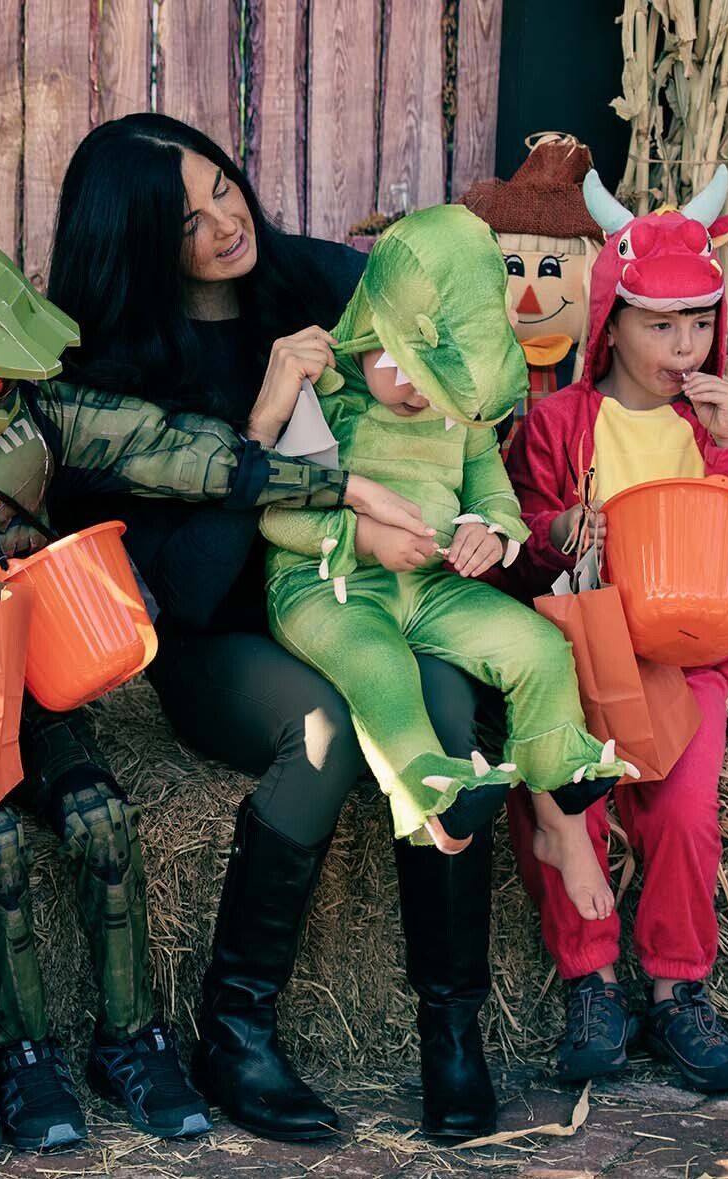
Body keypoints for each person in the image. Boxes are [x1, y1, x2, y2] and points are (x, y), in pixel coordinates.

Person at [0, 239, 428, 1152]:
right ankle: (24, 1056)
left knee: (102, 821)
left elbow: (168, 449)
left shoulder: (30, 421)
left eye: (5, 375)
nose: (2, 395)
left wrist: (335, 485)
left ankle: (131, 1041)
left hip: (41, 688)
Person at [45, 112, 500, 1142]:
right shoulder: (105, 375)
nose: (221, 223)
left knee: (442, 707)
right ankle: (235, 1033)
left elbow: (455, 400)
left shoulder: (323, 286)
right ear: (134, 246)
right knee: (326, 727)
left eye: (222, 187)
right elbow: (187, 591)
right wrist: (255, 427)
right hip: (221, 634)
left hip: (358, 595)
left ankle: (453, 1031)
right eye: (184, 220)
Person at [502, 167, 728, 1095]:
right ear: (610, 322)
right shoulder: (561, 422)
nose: (682, 344)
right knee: (562, 797)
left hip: (689, 651)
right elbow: (516, 536)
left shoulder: (715, 422)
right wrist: (554, 531)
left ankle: (677, 991)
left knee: (682, 812)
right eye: (661, 324)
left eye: (699, 324)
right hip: (586, 649)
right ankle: (592, 984)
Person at [259, 203, 626, 890]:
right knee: (381, 666)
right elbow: (277, 515)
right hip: (325, 585)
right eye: (396, 365)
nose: (414, 393)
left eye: (435, 376)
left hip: (427, 586)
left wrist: (492, 529)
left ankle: (558, 762)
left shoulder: (459, 415)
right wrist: (360, 534)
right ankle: (435, 794)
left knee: (539, 646)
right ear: (367, 333)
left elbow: (492, 491)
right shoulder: (329, 399)